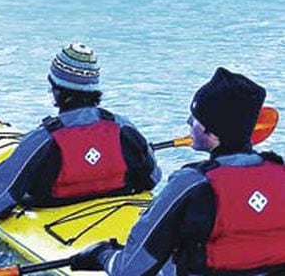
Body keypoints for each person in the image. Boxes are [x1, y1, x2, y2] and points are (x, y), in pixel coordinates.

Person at [70, 67, 285, 275]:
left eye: (195, 117)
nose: (188, 121)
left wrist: (102, 255)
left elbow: (130, 270)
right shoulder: (280, 173)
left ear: (210, 130)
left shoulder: (192, 184)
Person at [0, 43, 161, 219]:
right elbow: (152, 178)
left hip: (56, 216)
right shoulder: (124, 128)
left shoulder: (42, 140)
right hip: (119, 214)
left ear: (57, 89)